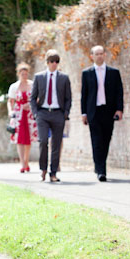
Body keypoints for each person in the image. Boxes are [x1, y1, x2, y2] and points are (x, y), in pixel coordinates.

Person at [81, 45, 124, 182]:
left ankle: (99, 166)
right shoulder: (86, 73)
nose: (99, 56)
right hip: (93, 111)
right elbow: (84, 94)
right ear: (92, 56)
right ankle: (101, 170)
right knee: (96, 141)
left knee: (106, 140)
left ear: (105, 55)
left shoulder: (114, 72)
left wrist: (119, 109)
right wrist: (83, 113)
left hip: (108, 111)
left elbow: (119, 92)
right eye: (96, 54)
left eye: (101, 53)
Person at [30, 49, 72, 183]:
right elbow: (33, 98)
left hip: (58, 113)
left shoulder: (64, 78)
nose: (54, 64)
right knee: (43, 141)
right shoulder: (39, 77)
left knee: (56, 144)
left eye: (57, 62)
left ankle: (53, 173)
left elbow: (68, 98)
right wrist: (36, 113)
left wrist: (65, 113)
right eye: (52, 61)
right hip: (42, 113)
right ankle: (43, 169)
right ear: (47, 62)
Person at [8, 62, 38, 173]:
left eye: (26, 74)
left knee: (28, 139)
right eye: (22, 74)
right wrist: (10, 111)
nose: (24, 76)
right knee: (19, 139)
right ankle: (22, 163)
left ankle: (26, 160)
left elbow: (37, 99)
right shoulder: (14, 87)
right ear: (18, 74)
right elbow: (10, 101)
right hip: (18, 115)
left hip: (29, 114)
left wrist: (30, 105)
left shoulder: (32, 84)